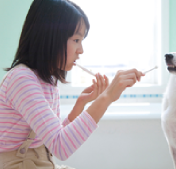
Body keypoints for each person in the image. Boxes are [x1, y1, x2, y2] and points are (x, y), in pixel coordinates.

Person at [0, 0, 144, 168]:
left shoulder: (47, 81)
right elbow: (61, 147)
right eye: (76, 40)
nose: (81, 50)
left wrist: (80, 105)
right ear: (50, 37)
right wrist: (106, 97)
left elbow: (52, 138)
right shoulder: (22, 80)